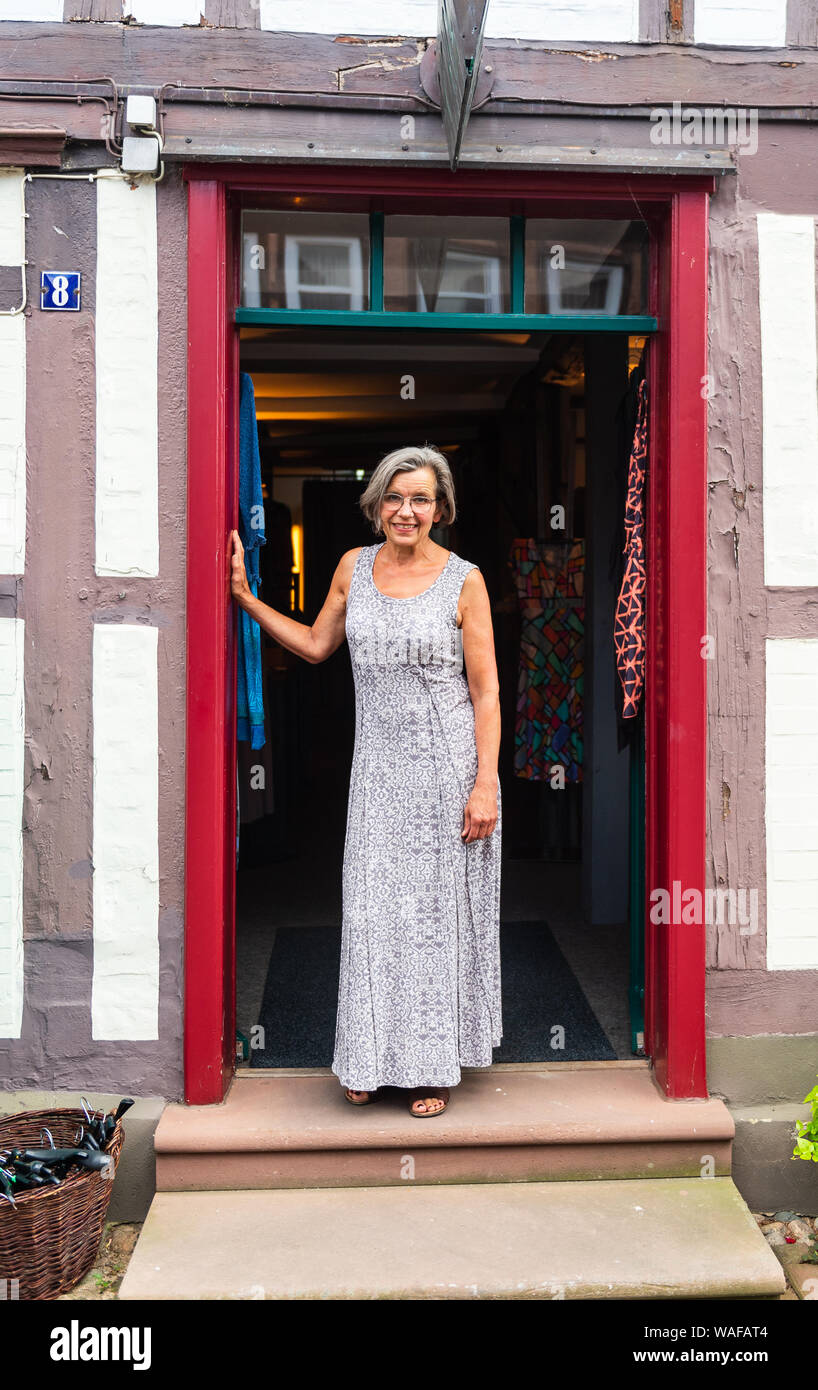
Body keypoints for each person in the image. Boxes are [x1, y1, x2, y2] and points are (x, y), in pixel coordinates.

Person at [230, 444, 502, 1117]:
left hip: (448, 771)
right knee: (374, 912)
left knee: (435, 921)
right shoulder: (354, 566)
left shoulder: (464, 579)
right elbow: (320, 645)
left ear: (441, 509)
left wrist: (486, 783)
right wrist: (244, 598)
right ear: (376, 502)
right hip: (377, 772)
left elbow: (487, 691)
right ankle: (369, 1057)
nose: (407, 511)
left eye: (421, 499)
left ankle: (430, 1067)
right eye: (395, 497)